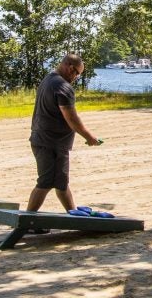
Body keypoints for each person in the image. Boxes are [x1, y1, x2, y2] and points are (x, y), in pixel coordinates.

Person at [26, 53, 101, 214]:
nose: (77, 77)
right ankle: (26, 222)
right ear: (70, 68)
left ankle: (74, 214)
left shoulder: (49, 79)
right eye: (77, 73)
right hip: (51, 142)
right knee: (45, 182)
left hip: (45, 140)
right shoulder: (63, 87)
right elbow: (71, 117)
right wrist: (89, 137)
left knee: (61, 182)